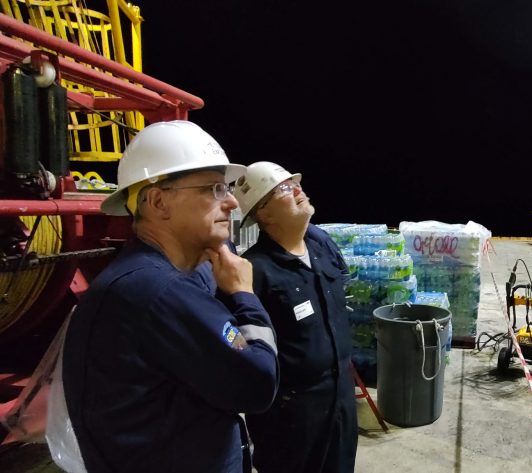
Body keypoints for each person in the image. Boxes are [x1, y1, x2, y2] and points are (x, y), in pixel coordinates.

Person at [61, 121, 280, 473]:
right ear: (159, 202)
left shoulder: (152, 279)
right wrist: (243, 296)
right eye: (214, 189)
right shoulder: (158, 292)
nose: (232, 202)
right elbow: (258, 384)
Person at [233, 161, 358, 473]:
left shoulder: (322, 246)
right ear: (263, 214)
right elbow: (242, 352)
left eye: (295, 183)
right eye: (284, 189)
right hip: (290, 416)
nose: (298, 190)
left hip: (341, 397)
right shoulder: (254, 271)